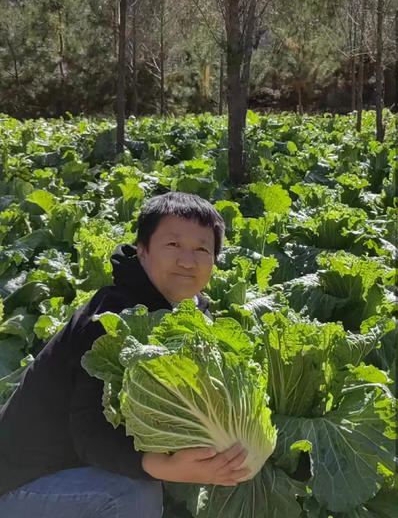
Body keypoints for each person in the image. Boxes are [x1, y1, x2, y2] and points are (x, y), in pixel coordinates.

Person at [0, 192, 251, 517]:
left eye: (202, 249)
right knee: (131, 494)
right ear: (143, 250)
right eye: (173, 245)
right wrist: (167, 467)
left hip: (80, 468)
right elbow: (90, 434)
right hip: (22, 482)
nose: (187, 261)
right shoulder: (111, 317)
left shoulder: (193, 313)